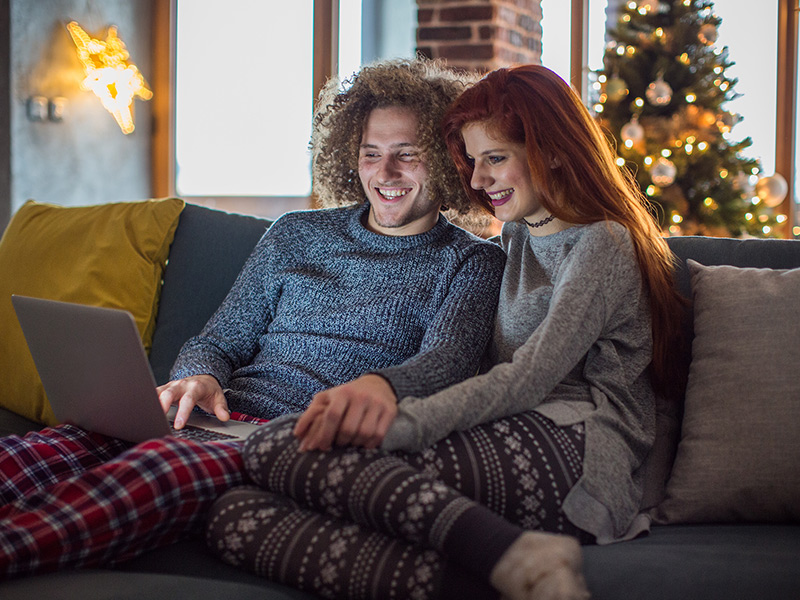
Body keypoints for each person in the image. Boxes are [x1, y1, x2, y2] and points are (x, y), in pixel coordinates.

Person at [0, 58, 506, 580]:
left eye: (408, 155)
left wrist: (369, 394)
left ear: (447, 161)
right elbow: (220, 339)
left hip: (292, 444)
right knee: (36, 452)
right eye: (371, 154)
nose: (386, 174)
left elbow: (445, 366)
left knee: (147, 476)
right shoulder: (296, 234)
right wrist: (200, 374)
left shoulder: (472, 261)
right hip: (216, 420)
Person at [205, 64, 685, 600]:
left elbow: (527, 378)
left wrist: (397, 423)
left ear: (551, 150)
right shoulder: (521, 237)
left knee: (276, 446)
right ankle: (515, 576)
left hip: (585, 449)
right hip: (515, 425)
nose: (478, 181)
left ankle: (509, 554)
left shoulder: (603, 244)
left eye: (495, 159)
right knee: (234, 516)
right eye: (473, 162)